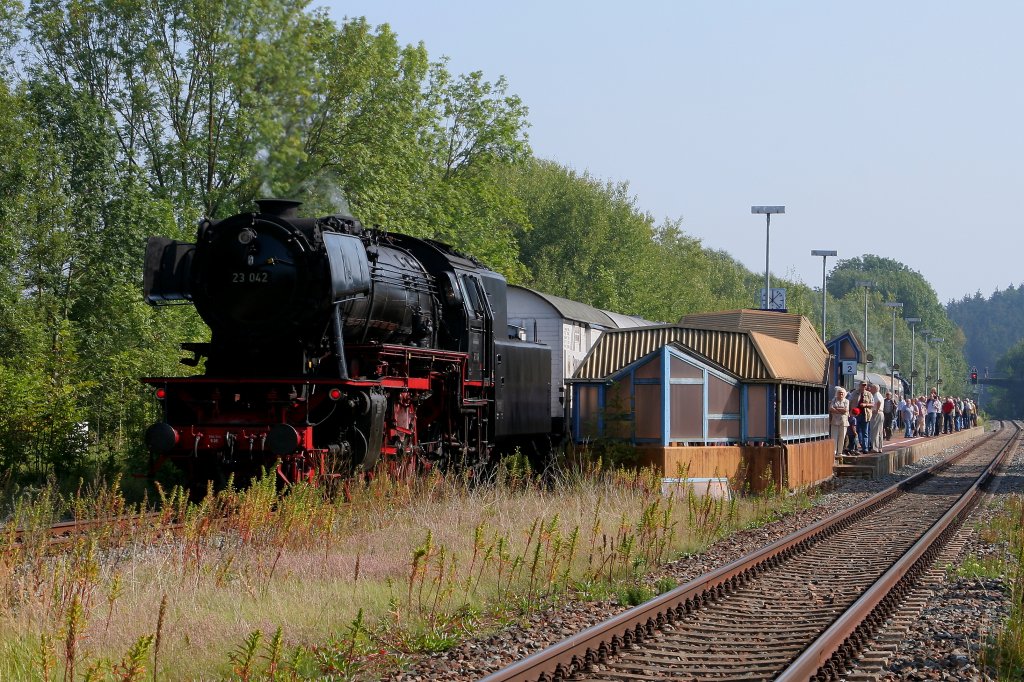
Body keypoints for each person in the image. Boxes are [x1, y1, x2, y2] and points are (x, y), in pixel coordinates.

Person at [828, 386, 850, 458]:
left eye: (842, 393)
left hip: (843, 422)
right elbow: (831, 409)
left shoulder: (846, 401)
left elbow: (845, 410)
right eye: (839, 393)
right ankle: (833, 452)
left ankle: (839, 452)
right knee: (834, 437)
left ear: (844, 394)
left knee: (842, 437)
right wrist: (840, 410)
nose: (840, 395)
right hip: (834, 421)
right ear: (837, 394)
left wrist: (836, 409)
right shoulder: (833, 400)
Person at [870, 384, 885, 452]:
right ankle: (880, 447)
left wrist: (877, 409)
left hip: (876, 413)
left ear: (875, 389)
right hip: (881, 413)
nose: (870, 389)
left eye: (871, 388)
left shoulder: (876, 395)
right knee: (879, 431)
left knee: (874, 431)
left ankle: (875, 448)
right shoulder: (880, 395)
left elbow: (878, 401)